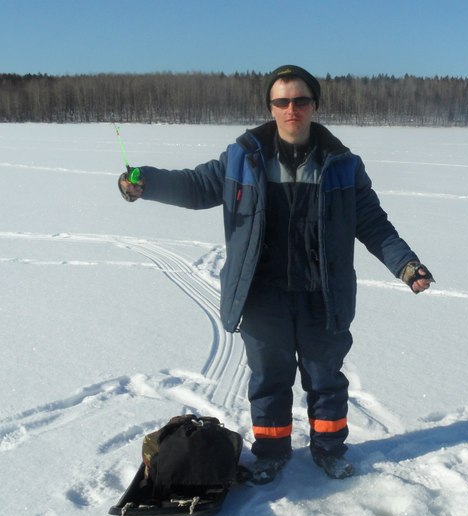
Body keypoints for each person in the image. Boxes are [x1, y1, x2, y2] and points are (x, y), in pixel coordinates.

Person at [118, 65, 433, 483]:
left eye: (300, 100)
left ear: (314, 105)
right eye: (282, 101)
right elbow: (196, 187)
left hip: (323, 294)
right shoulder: (242, 158)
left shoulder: (343, 165)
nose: (291, 109)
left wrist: (406, 264)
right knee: (269, 378)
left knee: (325, 378)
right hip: (262, 294)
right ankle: (270, 452)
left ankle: (328, 450)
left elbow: (373, 223)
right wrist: (147, 183)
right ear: (270, 107)